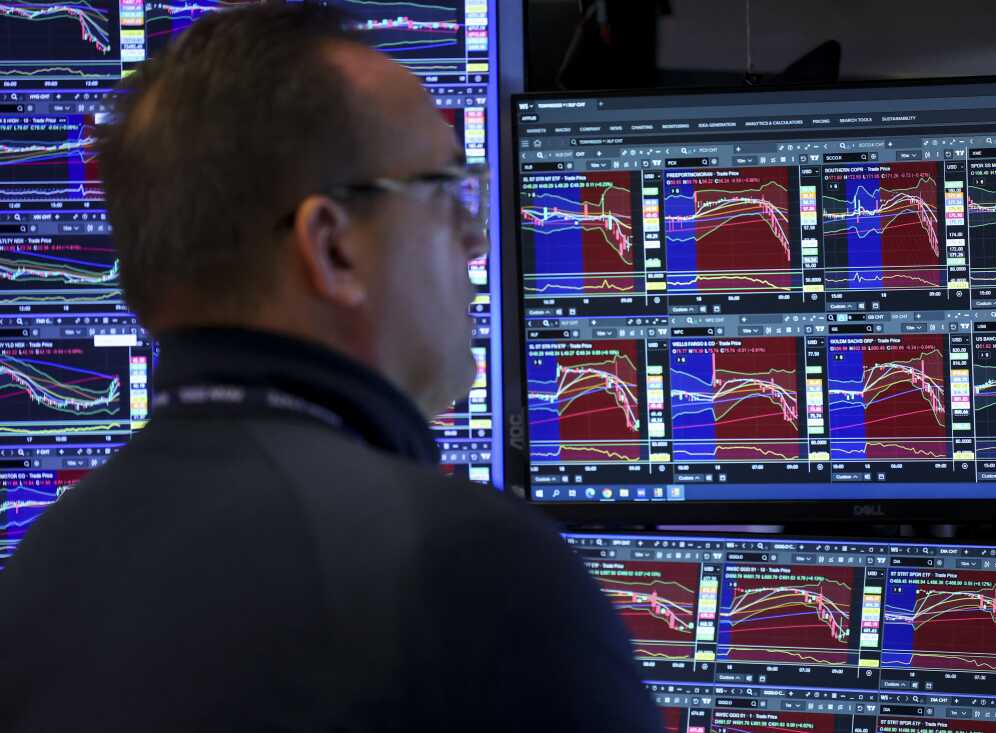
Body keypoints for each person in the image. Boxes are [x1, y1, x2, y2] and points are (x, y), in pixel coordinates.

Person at [0, 5, 661, 731]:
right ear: (333, 246)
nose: (474, 240)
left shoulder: (46, 566)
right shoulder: (468, 573)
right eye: (446, 191)